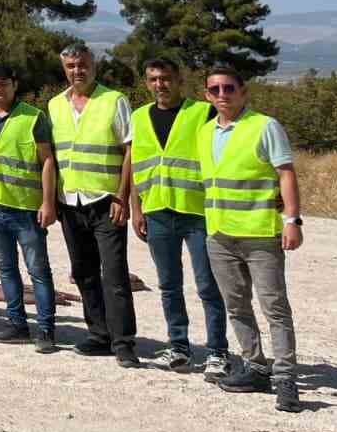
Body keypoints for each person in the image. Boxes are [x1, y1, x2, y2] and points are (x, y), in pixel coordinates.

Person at [199, 66, 303, 413]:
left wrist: (292, 220)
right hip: (220, 234)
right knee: (237, 305)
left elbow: (285, 173)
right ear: (206, 96)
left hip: (260, 233)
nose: (222, 95)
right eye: (215, 90)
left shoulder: (265, 126)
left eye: (229, 88)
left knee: (275, 308)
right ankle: (256, 367)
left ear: (243, 92)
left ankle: (286, 378)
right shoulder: (205, 133)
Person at [129, 56, 227, 375]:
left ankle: (217, 352)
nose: (160, 84)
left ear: (179, 80)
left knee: (207, 286)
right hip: (157, 211)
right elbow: (134, 165)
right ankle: (179, 347)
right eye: (154, 79)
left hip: (197, 212)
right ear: (147, 83)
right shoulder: (139, 116)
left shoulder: (202, 112)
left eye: (166, 78)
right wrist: (136, 208)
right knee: (169, 285)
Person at [50, 42, 139, 367]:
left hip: (105, 201)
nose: (78, 71)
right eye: (71, 66)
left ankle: (124, 342)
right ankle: (99, 334)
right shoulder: (55, 105)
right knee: (83, 272)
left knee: (114, 275)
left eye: (83, 64)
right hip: (69, 201)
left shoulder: (114, 101)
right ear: (64, 69)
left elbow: (130, 150)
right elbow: (52, 158)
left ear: (93, 66)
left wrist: (122, 195)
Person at [0, 64, 58, 353]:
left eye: (3, 83)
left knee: (38, 270)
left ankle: (45, 330)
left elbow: (47, 161)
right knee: (6, 269)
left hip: (26, 208)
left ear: (14, 84)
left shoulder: (33, 117)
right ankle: (17, 323)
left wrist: (48, 201)